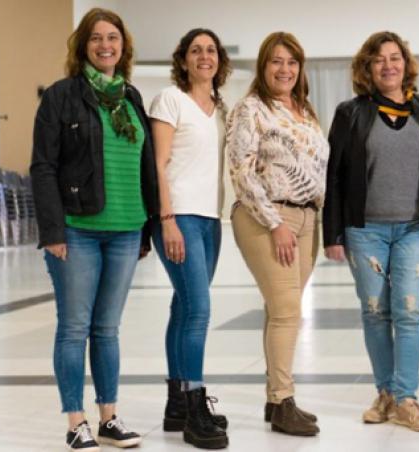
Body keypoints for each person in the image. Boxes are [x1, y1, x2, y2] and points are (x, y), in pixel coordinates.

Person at [30, 7, 157, 451]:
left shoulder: (131, 97)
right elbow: (43, 167)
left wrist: (146, 229)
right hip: (77, 228)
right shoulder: (61, 96)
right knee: (73, 328)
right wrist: (53, 231)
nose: (106, 45)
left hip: (126, 227)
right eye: (97, 38)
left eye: (113, 38)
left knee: (107, 329)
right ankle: (76, 422)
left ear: (124, 47)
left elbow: (145, 167)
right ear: (83, 46)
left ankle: (109, 418)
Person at [323, 31, 419, 432]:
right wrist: (332, 234)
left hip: (414, 228)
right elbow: (334, 176)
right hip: (365, 230)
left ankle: (406, 398)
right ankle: (386, 393)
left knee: (409, 311)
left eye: (395, 57)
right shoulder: (351, 113)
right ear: (367, 68)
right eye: (379, 59)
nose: (388, 65)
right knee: (375, 312)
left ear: (406, 64)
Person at [225, 31, 328, 437]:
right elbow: (241, 171)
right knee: (287, 312)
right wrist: (275, 223)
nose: (284, 69)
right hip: (267, 217)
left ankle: (275, 400)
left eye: (292, 62)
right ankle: (284, 401)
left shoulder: (305, 111)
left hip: (307, 219)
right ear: (263, 66)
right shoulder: (250, 108)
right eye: (276, 61)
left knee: (280, 309)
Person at [149, 28, 231, 449]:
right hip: (178, 216)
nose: (204, 56)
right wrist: (166, 219)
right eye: (196, 50)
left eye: (211, 50)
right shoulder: (170, 99)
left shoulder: (221, 108)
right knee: (198, 309)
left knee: (183, 307)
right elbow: (158, 163)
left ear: (219, 59)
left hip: (210, 219)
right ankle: (195, 406)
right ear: (183, 59)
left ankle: (177, 404)